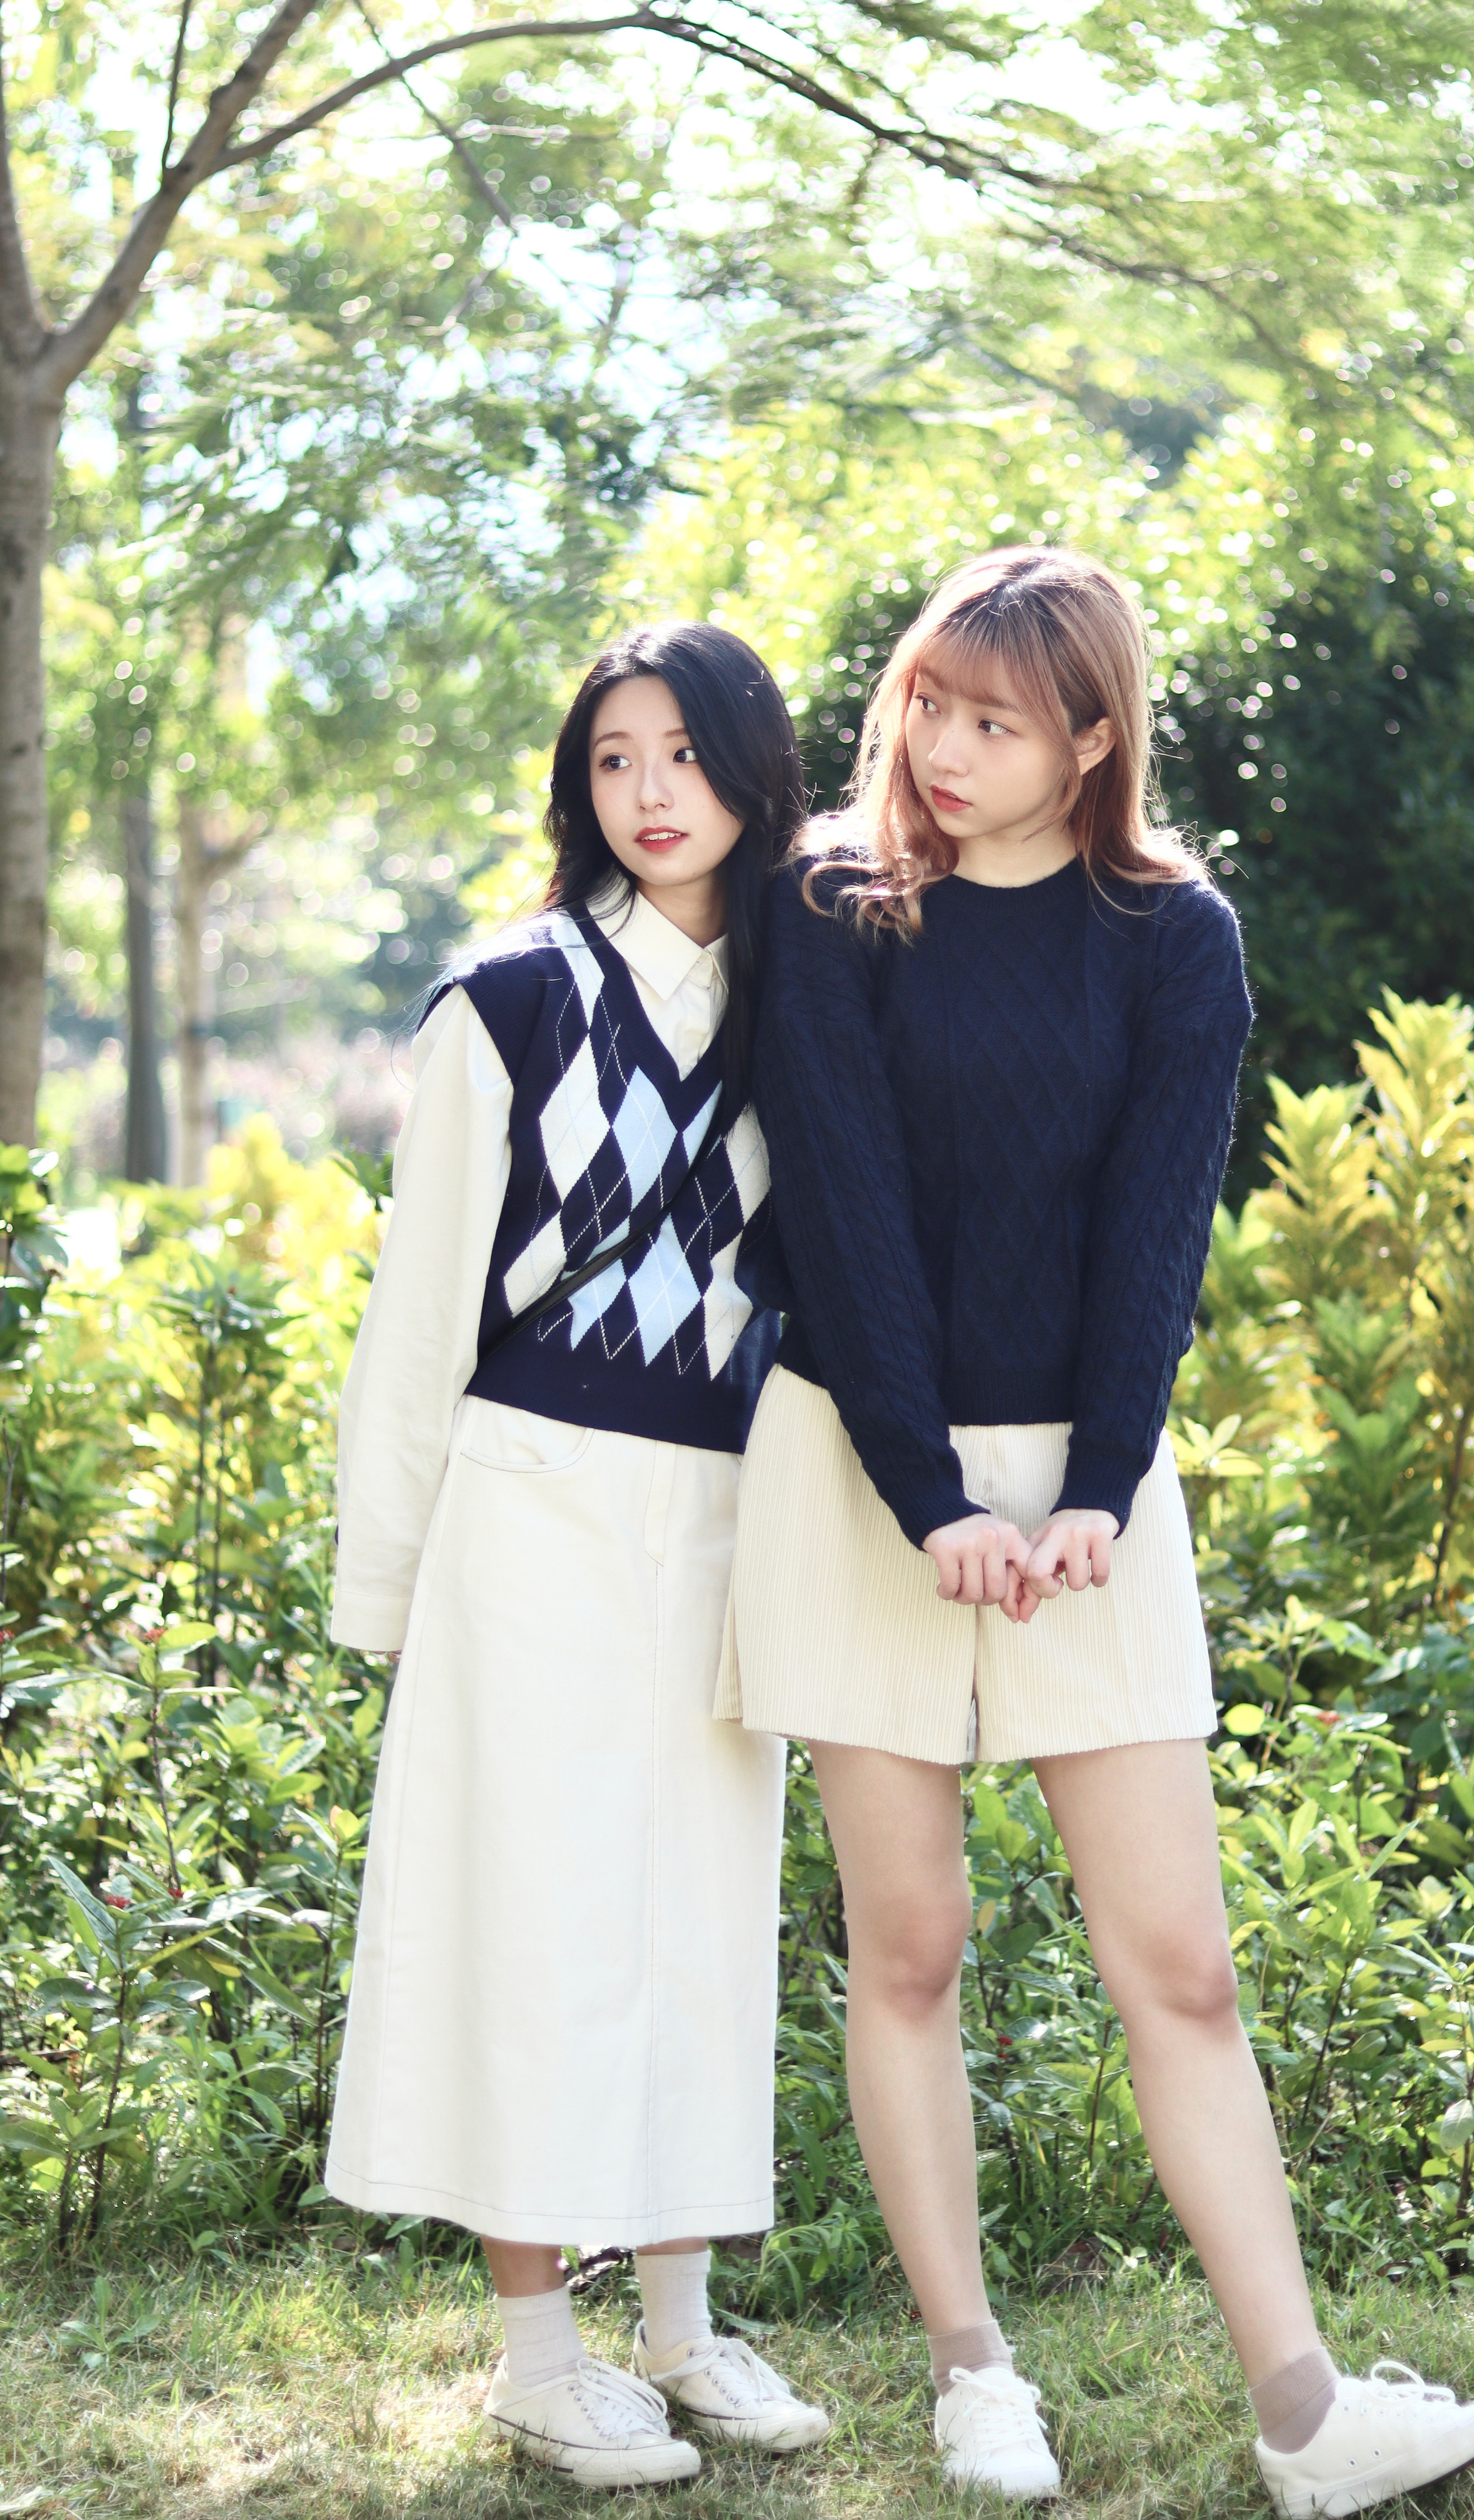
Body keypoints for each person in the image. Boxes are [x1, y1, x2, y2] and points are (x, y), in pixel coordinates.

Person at [719, 546, 1474, 2510]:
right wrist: (930, 1499)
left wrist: (1093, 1487)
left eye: (995, 722)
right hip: (856, 1465)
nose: (942, 747)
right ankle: (973, 2373)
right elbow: (842, 1214)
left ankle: (1305, 2413)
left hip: (1091, 1494)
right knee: (911, 1945)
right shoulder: (831, 907)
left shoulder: (1175, 937)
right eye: (928, 702)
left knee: (1180, 1963)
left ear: (1093, 740)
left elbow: (1159, 1236)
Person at [324, 623, 831, 2487]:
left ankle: (683, 2332)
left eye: (684, 753)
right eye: (614, 759)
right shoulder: (511, 1000)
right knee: (537, 1912)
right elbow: (418, 1324)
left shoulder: (806, 996)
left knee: (702, 1912)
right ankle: (540, 2354)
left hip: (730, 1503)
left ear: (754, 771)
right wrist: (391, 1588)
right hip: (530, 1495)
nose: (649, 792)